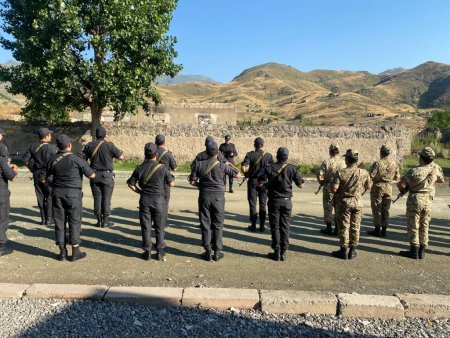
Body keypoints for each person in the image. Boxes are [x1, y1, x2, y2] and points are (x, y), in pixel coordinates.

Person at [47, 134, 95, 262]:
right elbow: (92, 175)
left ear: (58, 146)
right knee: (74, 222)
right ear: (69, 145)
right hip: (73, 195)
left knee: (59, 223)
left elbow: (46, 179)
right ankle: (75, 252)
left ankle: (62, 252)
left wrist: (56, 185)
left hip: (57, 194)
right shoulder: (76, 159)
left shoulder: (52, 160)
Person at [189, 141, 240, 262]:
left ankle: (207, 251)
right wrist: (229, 164)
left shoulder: (199, 164)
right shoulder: (222, 165)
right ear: (218, 152)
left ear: (206, 151)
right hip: (219, 197)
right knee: (218, 224)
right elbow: (237, 174)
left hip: (204, 195)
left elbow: (192, 181)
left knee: (205, 223)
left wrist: (201, 186)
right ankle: (217, 252)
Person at [127, 142, 175, 261]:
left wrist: (140, 192)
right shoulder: (162, 168)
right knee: (159, 226)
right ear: (156, 154)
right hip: (159, 200)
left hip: (145, 200)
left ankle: (147, 251)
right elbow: (172, 184)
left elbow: (130, 184)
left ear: (145, 153)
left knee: (146, 226)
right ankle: (159, 252)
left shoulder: (139, 168)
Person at [257, 147, 304, 261]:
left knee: (275, 226)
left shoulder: (269, 168)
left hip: (274, 201)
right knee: (285, 227)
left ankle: (276, 251)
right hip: (287, 201)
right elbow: (301, 185)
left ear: (277, 156)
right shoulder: (293, 168)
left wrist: (266, 186)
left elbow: (259, 183)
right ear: (287, 157)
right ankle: (284, 252)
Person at [397, 147, 445, 259]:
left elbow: (400, 184)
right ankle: (423, 250)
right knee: (425, 224)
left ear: (421, 158)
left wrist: (405, 189)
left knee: (414, 224)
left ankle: (414, 250)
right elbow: (441, 180)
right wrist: (430, 183)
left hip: (415, 199)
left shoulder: (414, 171)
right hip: (428, 199)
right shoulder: (436, 168)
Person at [331, 149, 371, 260]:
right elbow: (369, 187)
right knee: (355, 226)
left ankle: (343, 250)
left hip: (344, 202)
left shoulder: (340, 172)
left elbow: (334, 189)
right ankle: (353, 251)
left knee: (344, 226)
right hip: (358, 202)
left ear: (347, 160)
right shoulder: (364, 172)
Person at [83, 126, 124, 228]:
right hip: (107, 176)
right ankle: (105, 221)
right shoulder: (109, 145)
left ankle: (98, 220)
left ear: (95, 135)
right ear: (105, 135)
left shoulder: (89, 145)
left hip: (94, 175)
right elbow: (121, 157)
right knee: (106, 198)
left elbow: (82, 160)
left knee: (97, 198)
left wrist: (88, 171)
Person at [22, 127, 58, 227]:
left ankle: (43, 219)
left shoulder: (32, 146)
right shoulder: (52, 148)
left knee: (40, 197)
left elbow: (25, 161)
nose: (51, 136)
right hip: (48, 174)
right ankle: (49, 219)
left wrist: (32, 170)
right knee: (50, 197)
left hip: (37, 174)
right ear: (46, 136)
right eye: (50, 135)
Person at [241, 137, 273, 232]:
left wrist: (246, 173)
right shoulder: (269, 156)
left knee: (252, 204)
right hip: (263, 182)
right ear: (263, 145)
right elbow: (272, 169)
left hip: (253, 182)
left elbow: (244, 167)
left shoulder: (250, 154)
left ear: (254, 145)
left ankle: (253, 225)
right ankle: (262, 226)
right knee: (263, 205)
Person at [368, 145, 400, 238]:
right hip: (388, 187)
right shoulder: (394, 164)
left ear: (381, 152)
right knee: (386, 209)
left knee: (377, 208)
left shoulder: (377, 163)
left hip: (377, 187)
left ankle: (377, 229)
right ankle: (384, 230)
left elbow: (371, 176)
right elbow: (397, 178)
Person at [0, 143, 18, 257]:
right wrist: (14, 168)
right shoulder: (1, 161)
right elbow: (12, 177)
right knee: (2, 219)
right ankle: (1, 246)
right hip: (1, 194)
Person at [155, 134, 177, 223]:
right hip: (165, 180)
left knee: (155, 201)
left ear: (155, 142)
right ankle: (162, 222)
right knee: (165, 202)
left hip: (153, 179)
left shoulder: (152, 152)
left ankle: (155, 221)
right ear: (164, 142)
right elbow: (175, 169)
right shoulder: (168, 154)